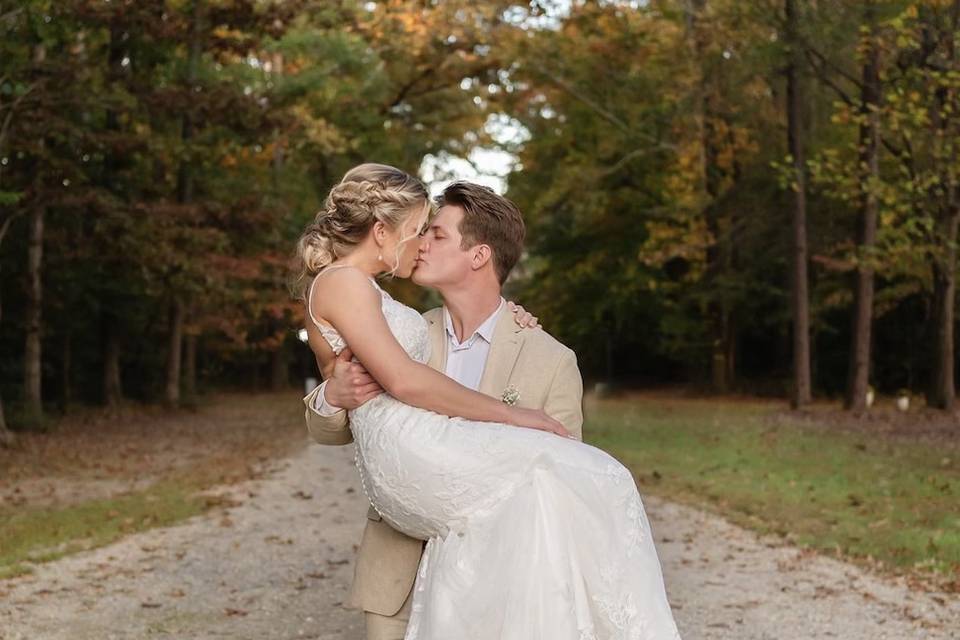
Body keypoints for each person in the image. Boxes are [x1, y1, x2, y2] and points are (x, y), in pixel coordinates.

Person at [297, 163, 681, 640]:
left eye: (435, 234)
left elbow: (563, 488)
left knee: (595, 478)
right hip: (402, 567)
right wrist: (333, 394)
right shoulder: (404, 321)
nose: (421, 244)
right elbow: (358, 400)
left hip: (511, 588)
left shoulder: (549, 358)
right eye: (421, 231)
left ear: (479, 255)